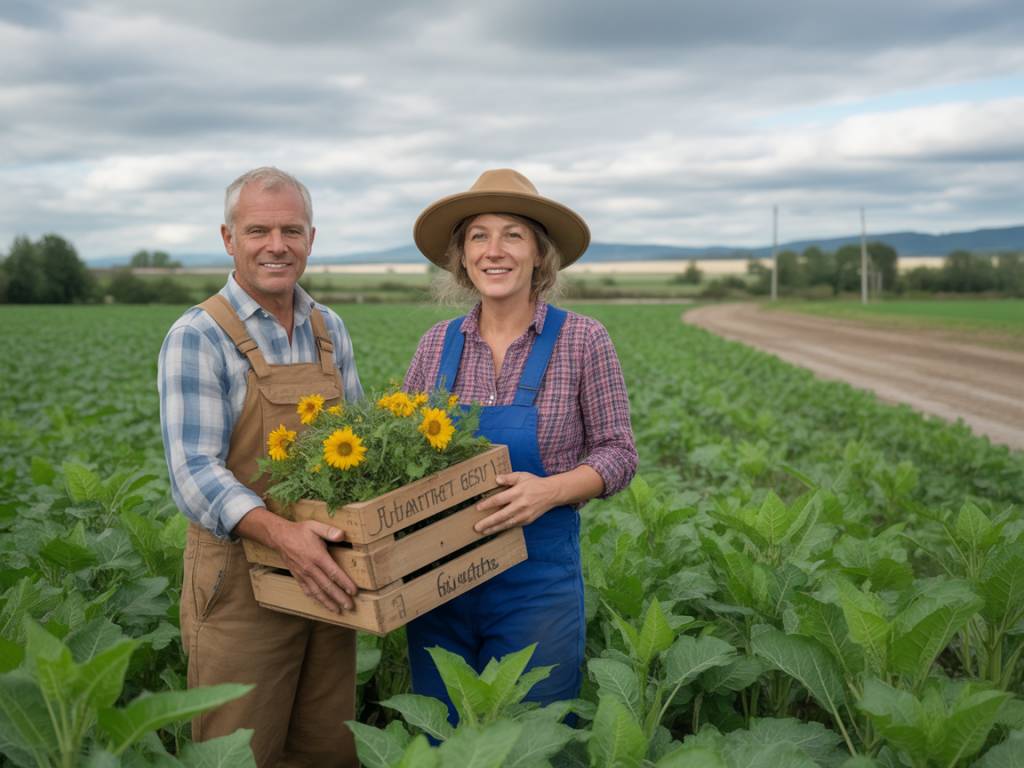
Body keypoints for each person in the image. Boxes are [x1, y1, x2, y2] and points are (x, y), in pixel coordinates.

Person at [402, 168, 638, 718]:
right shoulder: (436, 344)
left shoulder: (583, 338)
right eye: (478, 236)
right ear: (462, 258)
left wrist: (549, 491)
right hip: (441, 581)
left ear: (539, 253)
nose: (494, 250)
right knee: (442, 739)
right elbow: (403, 457)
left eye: (512, 234)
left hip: (536, 590)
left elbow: (618, 453)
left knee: (530, 735)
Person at [158, 167, 363, 767]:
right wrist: (283, 536)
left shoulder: (330, 330)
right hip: (239, 583)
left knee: (328, 745)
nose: (277, 245)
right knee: (239, 750)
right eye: (258, 230)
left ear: (311, 238)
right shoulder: (199, 335)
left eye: (291, 230)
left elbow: (353, 447)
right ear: (229, 238)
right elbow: (194, 471)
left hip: (327, 573)